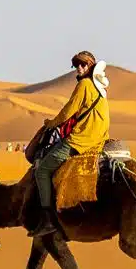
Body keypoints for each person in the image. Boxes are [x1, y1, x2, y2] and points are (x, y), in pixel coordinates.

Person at [30, 51, 111, 237]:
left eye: (83, 65)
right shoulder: (99, 88)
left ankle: (48, 218)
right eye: (77, 65)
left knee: (42, 170)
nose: (80, 68)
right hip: (97, 139)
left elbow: (68, 111)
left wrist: (51, 123)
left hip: (81, 140)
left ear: (91, 66)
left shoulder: (84, 85)